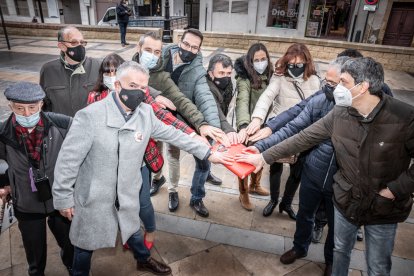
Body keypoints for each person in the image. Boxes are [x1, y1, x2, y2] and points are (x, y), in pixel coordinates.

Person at [236, 57, 414, 276]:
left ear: (363, 87)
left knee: (377, 266)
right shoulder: (340, 113)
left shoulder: (404, 117)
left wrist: (395, 189)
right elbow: (302, 137)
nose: (337, 89)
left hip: (384, 206)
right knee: (341, 250)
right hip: (346, 199)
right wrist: (262, 156)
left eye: (343, 82)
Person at [52, 61, 232, 275]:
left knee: (132, 229)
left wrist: (209, 153)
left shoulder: (145, 113)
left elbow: (174, 135)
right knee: (84, 245)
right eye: (133, 86)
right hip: (94, 196)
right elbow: (67, 161)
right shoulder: (90, 116)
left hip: (127, 191)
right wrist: (63, 198)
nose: (139, 92)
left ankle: (143, 259)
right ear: (117, 85)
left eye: (143, 87)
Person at [88, 53, 205, 250]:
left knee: (142, 203)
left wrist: (193, 135)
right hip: (111, 165)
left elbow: (163, 118)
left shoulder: (139, 96)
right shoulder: (95, 97)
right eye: (107, 71)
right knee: (121, 203)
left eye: (115, 71)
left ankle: (149, 230)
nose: (111, 75)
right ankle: (130, 232)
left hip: (140, 162)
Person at [252, 57, 349, 276]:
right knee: (305, 214)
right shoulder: (322, 99)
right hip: (313, 172)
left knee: (336, 226)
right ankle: (299, 248)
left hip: (342, 181)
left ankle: (330, 261)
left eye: (335, 84)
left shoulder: (360, 109)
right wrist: (261, 144)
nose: (329, 87)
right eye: (328, 81)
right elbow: (295, 125)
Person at [131, 32, 227, 203]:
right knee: (153, 152)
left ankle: (173, 189)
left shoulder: (168, 74)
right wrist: (155, 95)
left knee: (172, 153)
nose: (152, 55)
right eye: (148, 50)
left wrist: (202, 124)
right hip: (142, 125)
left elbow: (184, 100)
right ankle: (157, 178)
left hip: (171, 119)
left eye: (156, 52)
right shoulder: (130, 68)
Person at [0, 82, 73, 276]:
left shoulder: (61, 123)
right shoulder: (3, 132)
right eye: (19, 108)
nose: (26, 114)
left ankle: (72, 264)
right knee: (34, 247)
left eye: (32, 107)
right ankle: (36, 271)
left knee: (68, 240)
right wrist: (4, 184)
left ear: (41, 104)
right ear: (11, 107)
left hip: (58, 198)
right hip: (26, 200)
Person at [247, 43, 320, 220]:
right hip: (279, 127)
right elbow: (266, 98)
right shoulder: (279, 78)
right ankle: (273, 200)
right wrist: (257, 119)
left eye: (300, 64)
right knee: (275, 166)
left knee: (297, 170)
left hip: (303, 132)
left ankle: (286, 203)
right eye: (291, 64)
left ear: (307, 63)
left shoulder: (315, 81)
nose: (295, 68)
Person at [158, 29, 226, 217]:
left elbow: (205, 98)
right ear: (180, 41)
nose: (189, 49)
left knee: (202, 160)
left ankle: (196, 198)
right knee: (168, 156)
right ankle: (171, 190)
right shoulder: (161, 56)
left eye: (194, 47)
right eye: (186, 44)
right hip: (158, 114)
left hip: (186, 118)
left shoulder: (197, 70)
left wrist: (214, 130)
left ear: (199, 49)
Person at [207, 54, 251, 209]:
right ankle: (197, 197)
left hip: (218, 123)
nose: (226, 77)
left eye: (228, 74)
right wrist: (228, 129)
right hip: (204, 125)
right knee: (203, 158)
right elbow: (215, 109)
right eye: (221, 73)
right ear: (211, 73)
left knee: (208, 154)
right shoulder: (207, 88)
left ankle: (207, 173)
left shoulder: (228, 84)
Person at [233, 42, 273, 207]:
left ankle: (255, 185)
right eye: (256, 60)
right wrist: (243, 126)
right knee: (245, 160)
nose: (260, 62)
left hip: (266, 126)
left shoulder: (272, 75)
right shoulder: (244, 78)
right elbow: (242, 101)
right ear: (250, 61)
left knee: (260, 157)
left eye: (263, 59)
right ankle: (243, 193)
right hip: (247, 125)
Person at [40, 26, 101, 117]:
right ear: (62, 46)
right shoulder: (48, 70)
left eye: (82, 42)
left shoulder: (98, 66)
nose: (80, 46)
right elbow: (44, 104)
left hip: (91, 127)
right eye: (74, 42)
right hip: (62, 129)